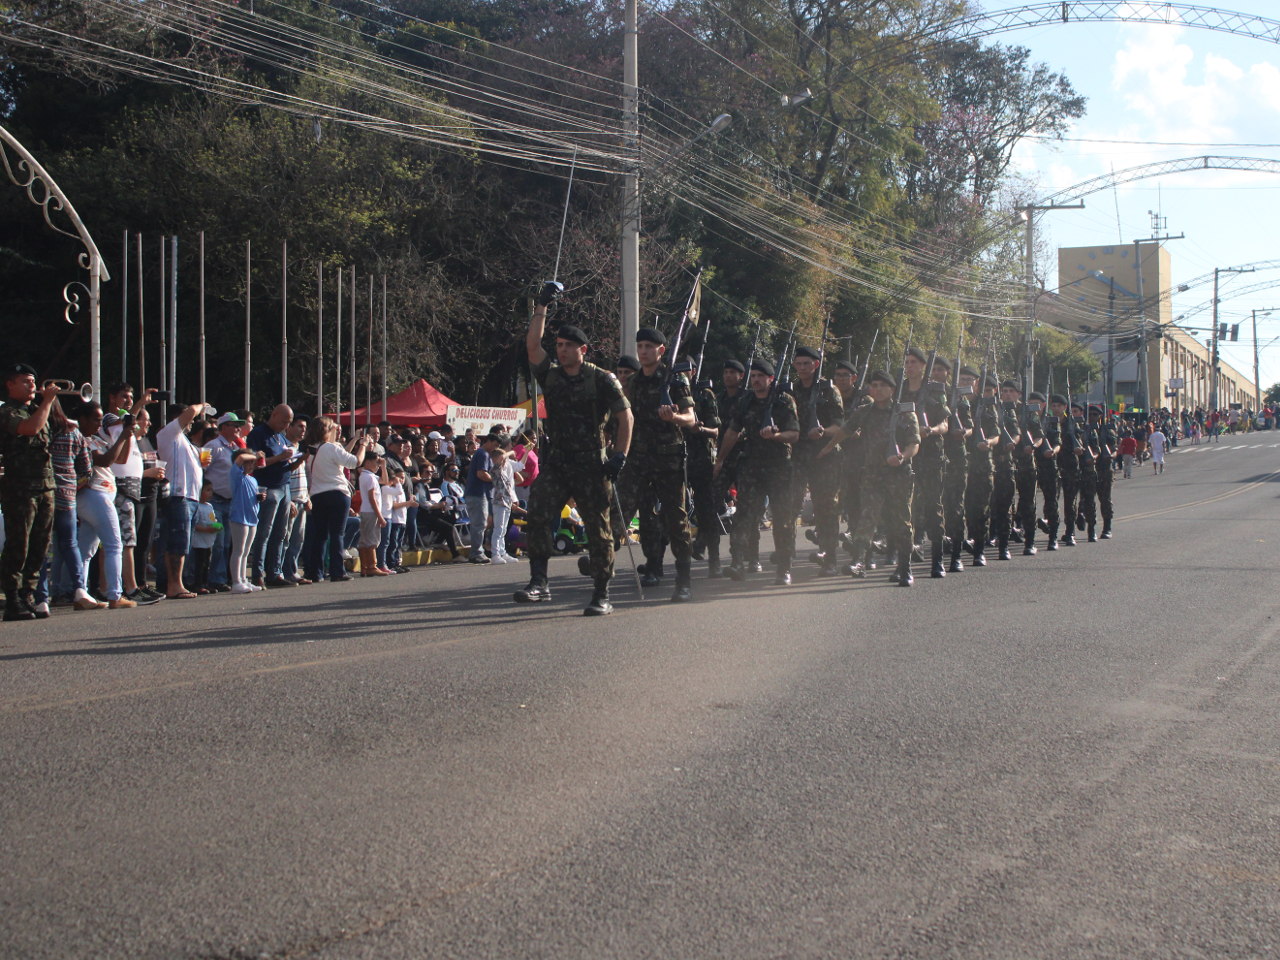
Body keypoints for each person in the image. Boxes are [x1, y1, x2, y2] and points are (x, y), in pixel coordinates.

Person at [515, 283, 632, 616]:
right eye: (560, 345)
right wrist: (541, 306)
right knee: (537, 514)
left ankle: (602, 593)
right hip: (559, 463)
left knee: (598, 529)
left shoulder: (602, 379)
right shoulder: (550, 377)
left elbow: (626, 417)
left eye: (568, 346)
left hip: (593, 466)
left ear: (583, 349)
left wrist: (619, 455)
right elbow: (532, 344)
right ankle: (539, 582)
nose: (561, 350)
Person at [615, 327, 696, 601]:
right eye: (640, 346)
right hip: (638, 459)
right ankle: (601, 563)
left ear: (661, 351)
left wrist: (673, 418)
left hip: (668, 460)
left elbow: (691, 418)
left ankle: (683, 581)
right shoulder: (634, 382)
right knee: (621, 508)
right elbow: (625, 417)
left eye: (649, 346)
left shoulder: (675, 379)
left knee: (676, 521)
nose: (643, 351)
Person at [823, 369, 920, 585]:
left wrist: (902, 458)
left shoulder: (905, 412)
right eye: (873, 386)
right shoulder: (864, 412)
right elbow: (845, 431)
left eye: (882, 386)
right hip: (872, 475)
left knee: (901, 522)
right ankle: (858, 561)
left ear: (892, 389)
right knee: (867, 518)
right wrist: (828, 447)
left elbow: (914, 443)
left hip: (898, 475)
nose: (876, 390)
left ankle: (905, 567)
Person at [713, 357, 799, 585]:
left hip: (779, 466)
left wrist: (776, 436)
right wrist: (720, 459)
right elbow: (732, 431)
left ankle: (784, 567)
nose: (756, 380)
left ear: (771, 379)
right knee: (743, 515)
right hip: (751, 465)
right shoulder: (746, 400)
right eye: (753, 376)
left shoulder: (783, 400)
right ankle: (737, 563)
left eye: (761, 376)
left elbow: (794, 434)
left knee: (782, 518)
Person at [0, 364, 58, 621]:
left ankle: (28, 594)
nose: (32, 386)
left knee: (41, 545)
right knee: (19, 545)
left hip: (45, 486)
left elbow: (51, 427)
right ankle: (12, 599)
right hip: (20, 489)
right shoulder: (7, 412)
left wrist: (50, 403)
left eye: (33, 381)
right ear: (10, 384)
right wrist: (47, 401)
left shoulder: (37, 409)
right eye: (25, 381)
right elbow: (29, 429)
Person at [40, 397, 102, 612]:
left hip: (42, 493)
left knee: (41, 545)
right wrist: (73, 486)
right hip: (67, 495)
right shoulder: (73, 432)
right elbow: (87, 468)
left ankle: (42, 597)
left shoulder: (40, 429)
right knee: (69, 544)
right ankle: (79, 589)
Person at [787, 344, 844, 576]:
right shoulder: (790, 389)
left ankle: (829, 557)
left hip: (825, 456)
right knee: (790, 505)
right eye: (798, 364)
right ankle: (786, 555)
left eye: (806, 363)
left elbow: (840, 424)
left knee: (825, 507)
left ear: (816, 365)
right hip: (799, 454)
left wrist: (822, 430)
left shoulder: (828, 390)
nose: (802, 368)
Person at [75, 401, 138, 609]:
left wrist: (127, 434)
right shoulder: (82, 438)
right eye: (94, 419)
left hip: (100, 495)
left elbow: (120, 458)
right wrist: (122, 436)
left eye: (100, 419)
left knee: (87, 549)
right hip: (95, 494)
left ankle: (81, 594)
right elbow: (104, 461)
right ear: (82, 419)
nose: (98, 423)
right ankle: (114, 594)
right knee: (113, 545)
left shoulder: (95, 439)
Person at [302, 417, 369, 584]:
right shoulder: (330, 448)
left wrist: (353, 440)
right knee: (337, 534)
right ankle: (337, 570)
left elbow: (342, 454)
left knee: (320, 535)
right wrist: (363, 445)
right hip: (337, 493)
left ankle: (315, 572)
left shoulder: (311, 451)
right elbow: (355, 462)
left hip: (317, 494)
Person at [902, 346, 951, 574]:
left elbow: (945, 424)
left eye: (913, 362)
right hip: (908, 455)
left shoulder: (934, 391)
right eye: (907, 362)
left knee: (933, 507)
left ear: (923, 366)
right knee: (905, 509)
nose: (909, 366)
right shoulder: (899, 390)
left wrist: (930, 430)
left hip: (931, 456)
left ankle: (938, 559)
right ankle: (904, 562)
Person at [155, 402, 209, 599]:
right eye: (190, 419)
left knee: (184, 542)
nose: (192, 422)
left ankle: (178, 582)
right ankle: (173, 584)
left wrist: (203, 464)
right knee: (177, 541)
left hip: (192, 497)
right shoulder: (169, 434)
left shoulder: (187, 443)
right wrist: (201, 405)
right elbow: (191, 412)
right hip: (179, 495)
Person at [246, 404, 299, 588]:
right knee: (264, 532)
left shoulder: (281, 436)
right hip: (267, 487)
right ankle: (258, 573)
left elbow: (286, 463)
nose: (285, 425)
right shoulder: (258, 434)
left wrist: (299, 458)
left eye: (288, 422)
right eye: (284, 421)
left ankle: (274, 572)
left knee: (280, 532)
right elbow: (254, 462)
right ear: (274, 414)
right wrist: (279, 457)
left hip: (284, 486)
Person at [227, 450, 263, 594]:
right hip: (239, 517)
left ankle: (243, 579)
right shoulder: (236, 475)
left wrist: (259, 497)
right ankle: (236, 582)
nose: (251, 465)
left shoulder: (252, 479)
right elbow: (240, 457)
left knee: (246, 552)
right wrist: (256, 455)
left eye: (252, 462)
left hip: (252, 517)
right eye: (249, 462)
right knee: (238, 550)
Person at [464, 434, 499, 563]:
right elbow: (481, 473)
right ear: (488, 441)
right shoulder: (483, 454)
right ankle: (476, 553)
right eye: (495, 445)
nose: (495, 448)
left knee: (482, 523)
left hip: (481, 494)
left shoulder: (485, 454)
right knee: (479, 523)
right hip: (477, 493)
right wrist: (495, 480)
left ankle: (478, 551)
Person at [357, 449, 390, 577]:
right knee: (372, 540)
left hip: (365, 511)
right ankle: (372, 566)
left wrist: (383, 466)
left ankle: (364, 567)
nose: (377, 465)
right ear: (368, 462)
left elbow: (385, 481)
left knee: (365, 539)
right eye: (376, 462)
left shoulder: (367, 475)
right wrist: (380, 516)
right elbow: (372, 498)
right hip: (371, 511)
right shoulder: (369, 477)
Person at [489, 444, 519, 564]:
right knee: (498, 528)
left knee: (503, 529)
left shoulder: (504, 470)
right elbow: (501, 458)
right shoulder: (495, 468)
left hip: (506, 501)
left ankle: (502, 552)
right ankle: (495, 554)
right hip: (498, 501)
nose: (505, 461)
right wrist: (511, 452)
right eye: (503, 458)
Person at [190, 479, 221, 594]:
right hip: (199, 541)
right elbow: (195, 525)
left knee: (206, 563)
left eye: (211, 490)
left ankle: (205, 583)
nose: (210, 493)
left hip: (208, 541)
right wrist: (207, 529)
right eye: (207, 490)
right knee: (199, 563)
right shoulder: (197, 506)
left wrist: (217, 526)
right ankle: (197, 584)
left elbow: (213, 520)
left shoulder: (209, 506)